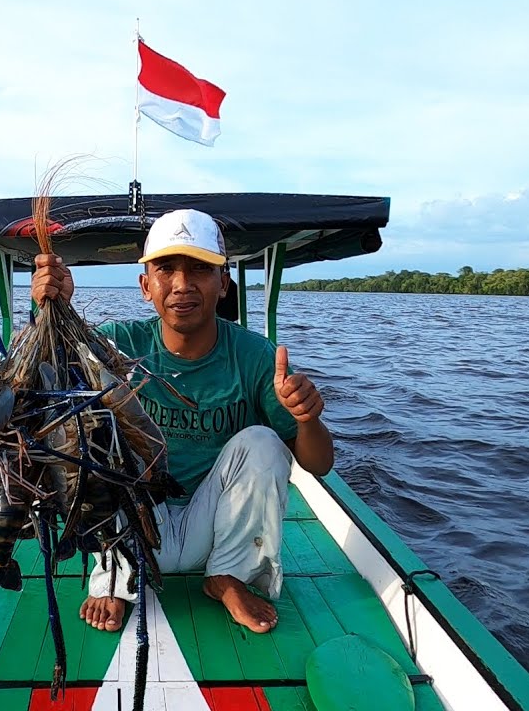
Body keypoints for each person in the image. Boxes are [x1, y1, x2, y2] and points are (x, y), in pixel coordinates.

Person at [30, 208, 334, 635]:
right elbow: (47, 385)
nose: (182, 284)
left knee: (265, 442)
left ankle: (227, 576)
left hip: (212, 528)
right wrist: (53, 310)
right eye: (166, 269)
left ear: (222, 283)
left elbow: (318, 464)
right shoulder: (118, 343)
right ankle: (114, 579)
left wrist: (307, 419)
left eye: (199, 269)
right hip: (133, 524)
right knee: (90, 434)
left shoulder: (253, 355)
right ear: (145, 286)